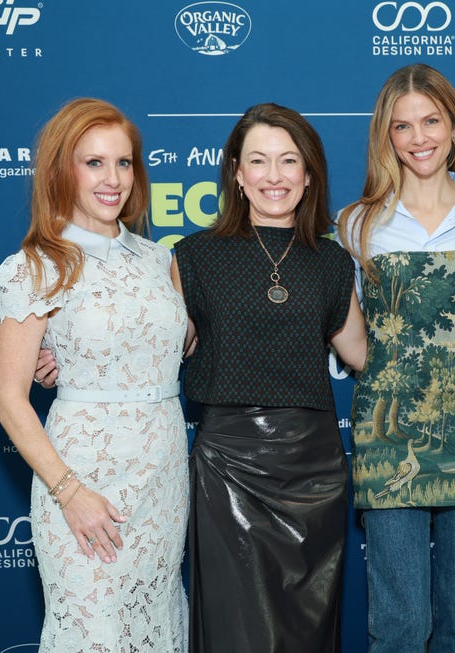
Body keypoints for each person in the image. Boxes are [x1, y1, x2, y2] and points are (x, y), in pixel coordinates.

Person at [0, 98, 188, 651]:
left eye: (124, 163)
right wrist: (69, 492)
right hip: (81, 476)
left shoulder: (157, 259)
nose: (113, 179)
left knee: (158, 624)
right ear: (62, 169)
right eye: (94, 163)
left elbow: (176, 347)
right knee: (93, 630)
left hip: (164, 476)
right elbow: (10, 400)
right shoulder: (34, 265)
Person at [172, 102, 366, 652]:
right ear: (236, 172)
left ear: (309, 173)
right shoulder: (194, 256)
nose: (274, 176)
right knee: (240, 629)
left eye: (288, 161)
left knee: (306, 628)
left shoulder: (330, 262)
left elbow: (361, 354)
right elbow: (163, 346)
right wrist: (69, 359)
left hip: (314, 468)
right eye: (258, 161)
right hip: (229, 462)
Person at [337, 63, 455, 653]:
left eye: (431, 121)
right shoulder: (357, 224)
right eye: (402, 126)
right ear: (385, 137)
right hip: (388, 437)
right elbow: (349, 333)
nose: (418, 138)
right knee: (400, 625)